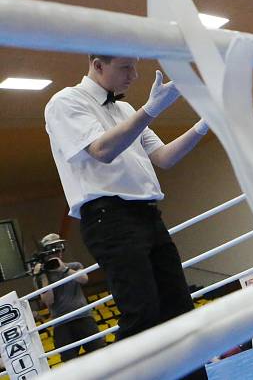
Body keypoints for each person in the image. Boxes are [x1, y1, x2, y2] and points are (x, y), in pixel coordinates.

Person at [44, 55, 209, 379]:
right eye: (125, 67)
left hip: (148, 216)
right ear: (97, 64)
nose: (134, 75)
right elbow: (101, 151)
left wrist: (205, 124)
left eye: (134, 67)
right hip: (109, 218)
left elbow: (164, 157)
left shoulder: (125, 110)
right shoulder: (64, 102)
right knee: (142, 315)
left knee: (180, 312)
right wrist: (152, 109)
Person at [32, 233, 104, 361]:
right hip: (61, 323)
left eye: (60, 249)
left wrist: (64, 269)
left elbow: (84, 279)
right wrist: (43, 276)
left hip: (83, 317)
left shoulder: (74, 266)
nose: (58, 253)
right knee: (69, 361)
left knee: (99, 354)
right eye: (54, 250)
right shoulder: (41, 276)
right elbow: (49, 301)